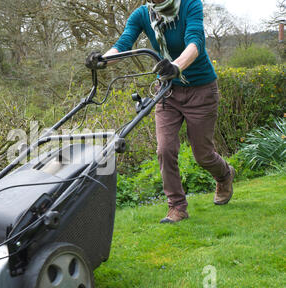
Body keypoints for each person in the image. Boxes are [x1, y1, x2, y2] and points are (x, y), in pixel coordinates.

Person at [85, 0, 235, 224]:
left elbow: (196, 42)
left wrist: (176, 66)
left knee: (202, 155)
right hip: (167, 90)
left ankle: (224, 175)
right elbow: (125, 42)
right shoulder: (142, 14)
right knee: (164, 149)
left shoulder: (190, 4)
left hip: (201, 90)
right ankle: (177, 207)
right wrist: (102, 60)